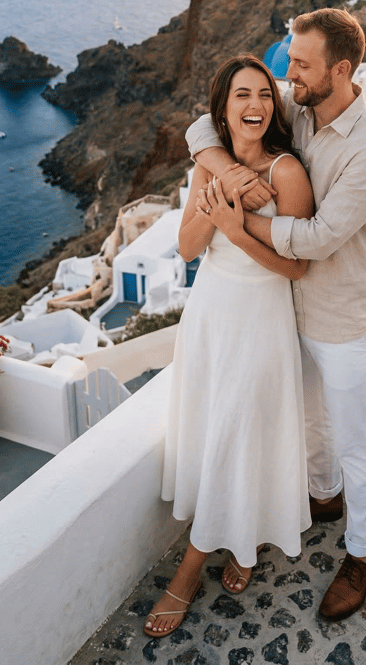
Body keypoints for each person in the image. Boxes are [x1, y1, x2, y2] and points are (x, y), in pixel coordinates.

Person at [186, 8, 366, 621]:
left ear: (340, 69)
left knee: (357, 441)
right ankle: (324, 501)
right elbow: (208, 120)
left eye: (300, 65)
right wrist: (229, 169)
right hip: (285, 308)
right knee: (308, 422)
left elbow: (318, 237)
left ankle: (363, 554)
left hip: (344, 315)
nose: (288, 75)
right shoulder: (299, 103)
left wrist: (236, 216)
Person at [144, 55, 315, 638]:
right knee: (218, 426)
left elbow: (295, 269)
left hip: (261, 319)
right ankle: (243, 540)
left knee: (238, 429)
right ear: (223, 108)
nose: (256, 106)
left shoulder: (287, 172)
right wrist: (217, 202)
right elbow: (189, 249)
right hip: (212, 315)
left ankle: (189, 571)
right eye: (242, 95)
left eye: (265, 95)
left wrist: (238, 230)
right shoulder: (207, 168)